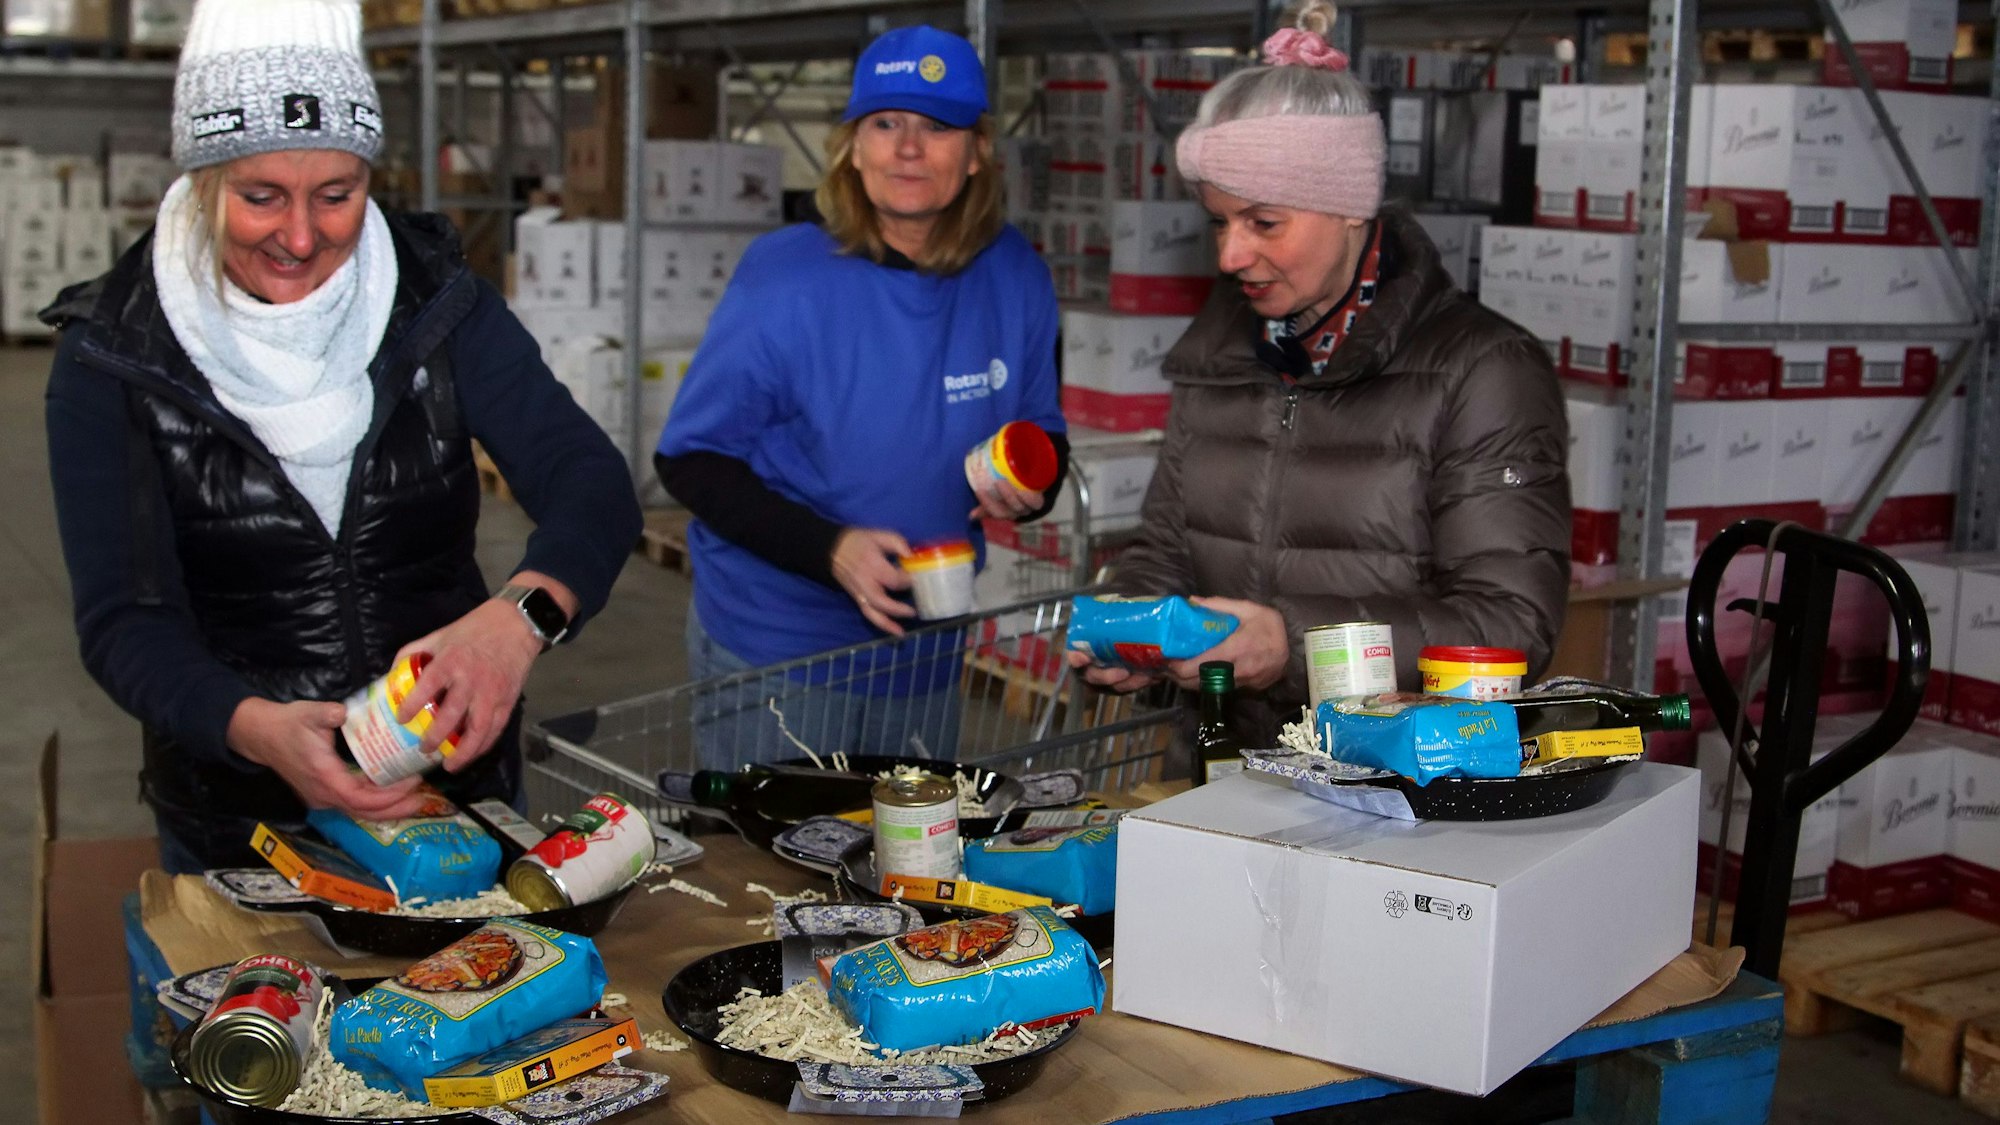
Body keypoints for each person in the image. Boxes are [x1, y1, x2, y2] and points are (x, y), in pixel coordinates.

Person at [41, 0, 643, 873]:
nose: (300, 236)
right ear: (205, 181)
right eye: (260, 197)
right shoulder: (113, 356)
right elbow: (125, 620)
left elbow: (586, 475)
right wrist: (256, 728)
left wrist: (516, 624)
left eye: (336, 195)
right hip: (241, 830)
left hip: (455, 800)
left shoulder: (436, 305)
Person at [1075, 1, 1571, 747]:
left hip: (1402, 789)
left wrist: (1291, 644)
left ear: (1348, 208)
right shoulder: (1219, 358)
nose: (1229, 256)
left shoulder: (1481, 372)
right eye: (1220, 221)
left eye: (1263, 222)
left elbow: (1508, 622)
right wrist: (1137, 629)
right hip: (1228, 766)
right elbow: (1167, 547)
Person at [656, 24, 1067, 766]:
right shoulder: (784, 277)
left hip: (928, 649)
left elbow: (1042, 429)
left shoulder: (1015, 275)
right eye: (885, 123)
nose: (908, 148)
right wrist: (831, 550)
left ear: (977, 152)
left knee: (906, 869)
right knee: (768, 872)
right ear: (851, 145)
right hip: (781, 651)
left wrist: (1029, 489)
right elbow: (692, 459)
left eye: (937, 126)